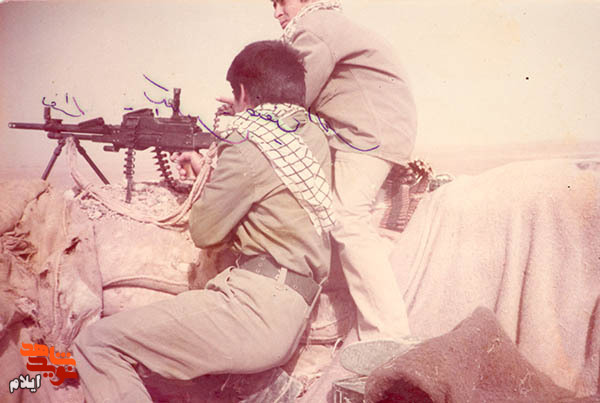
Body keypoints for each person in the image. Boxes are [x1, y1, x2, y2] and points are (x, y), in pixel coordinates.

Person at [72, 40, 335, 402]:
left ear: (243, 92)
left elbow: (205, 230)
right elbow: (266, 185)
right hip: (289, 304)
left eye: (235, 94)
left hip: (255, 308)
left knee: (97, 343)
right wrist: (208, 166)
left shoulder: (247, 141)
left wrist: (220, 161)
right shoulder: (310, 134)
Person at [270, 0, 418, 342]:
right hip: (371, 131)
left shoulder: (313, 28)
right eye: (272, 4)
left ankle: (388, 333)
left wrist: (246, 110)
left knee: (347, 218)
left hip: (366, 136)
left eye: (282, 2)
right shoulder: (328, 24)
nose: (276, 12)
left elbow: (293, 98)